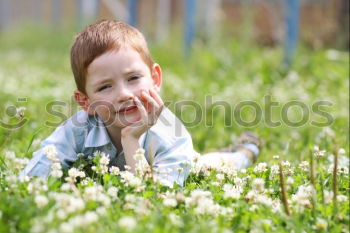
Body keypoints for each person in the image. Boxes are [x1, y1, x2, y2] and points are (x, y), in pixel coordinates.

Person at [19, 20, 260, 187]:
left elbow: (153, 196)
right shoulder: (77, 130)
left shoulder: (171, 135)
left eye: (133, 78)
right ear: (86, 101)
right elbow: (30, 179)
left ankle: (244, 152)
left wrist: (131, 140)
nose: (124, 94)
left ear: (155, 79)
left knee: (205, 167)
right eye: (105, 87)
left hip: (173, 161)